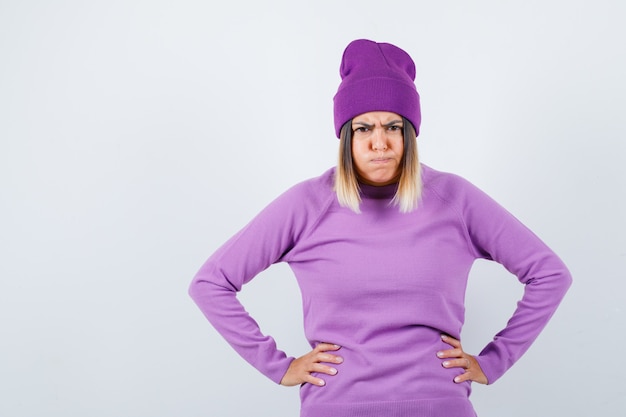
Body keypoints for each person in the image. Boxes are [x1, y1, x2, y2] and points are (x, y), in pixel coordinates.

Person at [189, 39, 572, 417]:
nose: (379, 143)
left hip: (439, 407)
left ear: (409, 134)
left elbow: (549, 273)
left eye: (393, 126)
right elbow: (211, 284)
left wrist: (494, 361)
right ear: (345, 136)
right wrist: (280, 366)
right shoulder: (307, 205)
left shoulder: (454, 198)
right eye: (363, 129)